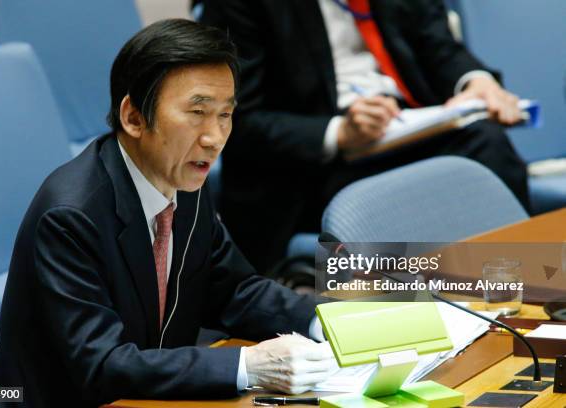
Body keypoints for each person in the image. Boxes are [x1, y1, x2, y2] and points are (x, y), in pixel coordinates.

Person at [0, 19, 334, 408]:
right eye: (197, 112)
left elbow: (235, 289)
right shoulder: (70, 216)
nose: (214, 137)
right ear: (134, 118)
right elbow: (102, 364)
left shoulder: (183, 179)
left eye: (225, 114)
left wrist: (327, 323)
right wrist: (248, 365)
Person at [201, 0, 530, 273]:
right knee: (387, 200)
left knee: (487, 144)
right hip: (312, 160)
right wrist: (340, 133)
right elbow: (239, 121)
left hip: (406, 124)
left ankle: (524, 291)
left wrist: (475, 81)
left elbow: (439, 45)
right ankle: (428, 318)